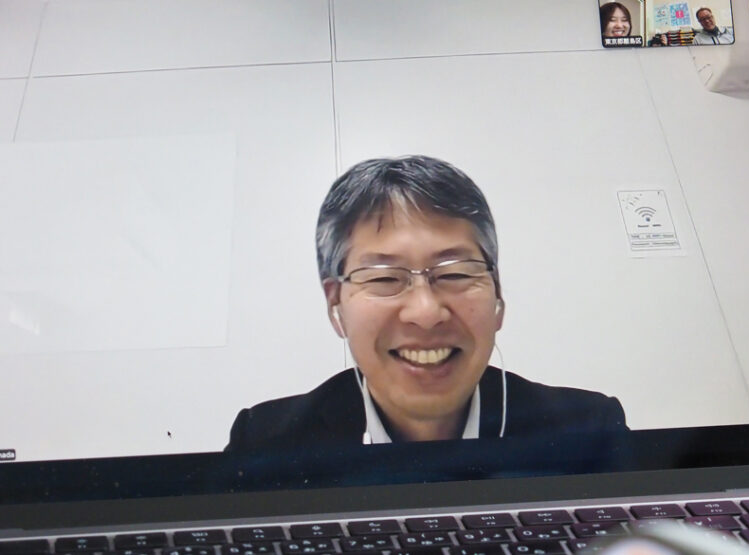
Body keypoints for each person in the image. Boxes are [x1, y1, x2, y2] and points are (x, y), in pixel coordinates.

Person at [226, 156, 627, 451]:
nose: (425, 312)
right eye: (384, 278)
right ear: (336, 305)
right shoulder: (265, 442)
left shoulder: (588, 431)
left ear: (498, 294)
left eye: (454, 273)